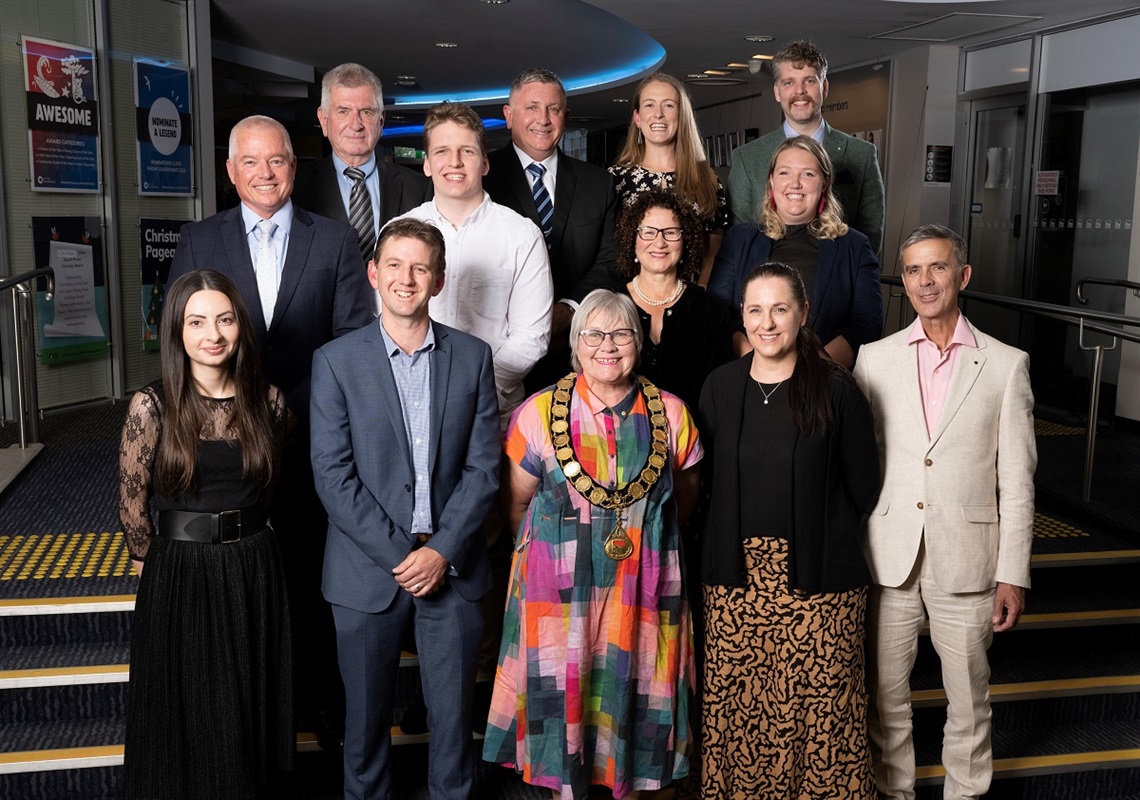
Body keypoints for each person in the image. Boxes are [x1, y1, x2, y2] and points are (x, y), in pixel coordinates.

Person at [169, 114, 372, 751]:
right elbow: (183, 337)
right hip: (220, 450)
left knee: (311, 582)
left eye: (277, 160)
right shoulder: (200, 239)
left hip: (310, 437)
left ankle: (323, 715)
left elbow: (348, 342)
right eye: (250, 162)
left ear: (294, 164)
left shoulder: (336, 241)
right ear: (231, 172)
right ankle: (249, 722)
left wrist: (286, 415)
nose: (265, 173)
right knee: (238, 591)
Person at [484, 289, 703, 800]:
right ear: (576, 345)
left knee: (640, 694)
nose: (607, 345)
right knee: (562, 705)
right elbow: (515, 507)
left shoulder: (672, 414)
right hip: (555, 597)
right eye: (593, 334)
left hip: (644, 592)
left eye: (621, 333)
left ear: (639, 343)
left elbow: (683, 502)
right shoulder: (537, 414)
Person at [310, 218, 501, 800]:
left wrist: (440, 549)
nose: (406, 278)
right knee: (364, 729)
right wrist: (405, 556)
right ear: (373, 274)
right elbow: (332, 475)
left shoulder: (472, 357)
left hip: (453, 566)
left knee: (452, 729)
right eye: (393, 264)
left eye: (420, 267)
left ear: (438, 280)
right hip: (368, 572)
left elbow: (485, 467)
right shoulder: (336, 361)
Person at [853, 224, 1036, 800]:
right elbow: (859, 465)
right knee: (885, 696)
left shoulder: (1006, 365)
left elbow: (1018, 479)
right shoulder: (874, 359)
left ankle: (966, 792)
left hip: (969, 557)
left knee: (968, 698)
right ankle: (895, 791)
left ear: (962, 275)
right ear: (902, 281)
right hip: (889, 558)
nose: (925, 281)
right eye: (912, 270)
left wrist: (1014, 572)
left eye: (937, 268)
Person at [698, 262, 880, 800]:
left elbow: (865, 488)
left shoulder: (838, 391)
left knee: (825, 713)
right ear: (743, 318)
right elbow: (703, 485)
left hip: (820, 579)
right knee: (742, 710)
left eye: (780, 308)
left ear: (803, 314)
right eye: (755, 310)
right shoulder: (719, 388)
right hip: (735, 582)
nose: (767, 322)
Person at [119, 269, 292, 799]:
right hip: (181, 569)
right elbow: (132, 505)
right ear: (177, 332)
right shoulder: (151, 406)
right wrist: (158, 567)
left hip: (253, 567)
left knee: (246, 701)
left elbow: (269, 492)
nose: (212, 334)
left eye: (224, 319)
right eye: (197, 322)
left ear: (239, 325)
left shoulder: (271, 402)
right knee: (186, 704)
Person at [393, 100, 552, 424]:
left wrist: (469, 390)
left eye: (466, 151)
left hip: (494, 415)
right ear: (426, 163)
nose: (454, 162)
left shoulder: (522, 235)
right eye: (441, 151)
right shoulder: (396, 235)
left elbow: (531, 337)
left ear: (484, 163)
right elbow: (384, 322)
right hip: (410, 409)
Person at [484, 67, 622, 391]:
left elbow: (610, 263)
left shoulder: (598, 184)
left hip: (579, 354)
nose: (543, 119)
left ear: (566, 115)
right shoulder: (481, 178)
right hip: (499, 356)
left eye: (553, 109)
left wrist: (566, 311)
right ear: (508, 114)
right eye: (531, 107)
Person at [709, 135, 882, 369]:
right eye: (784, 173)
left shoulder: (854, 246)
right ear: (771, 181)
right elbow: (718, 316)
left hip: (824, 380)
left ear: (825, 183)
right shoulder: (739, 240)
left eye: (808, 174)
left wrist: (811, 372)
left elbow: (867, 325)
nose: (795, 183)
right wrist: (761, 368)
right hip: (750, 377)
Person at [727, 40, 885, 253]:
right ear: (777, 92)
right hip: (767, 278)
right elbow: (741, 236)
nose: (799, 91)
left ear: (825, 87)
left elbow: (871, 232)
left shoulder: (862, 154)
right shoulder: (747, 158)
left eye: (809, 81)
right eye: (789, 82)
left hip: (839, 278)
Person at [615, 188, 742, 412]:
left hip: (694, 439)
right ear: (632, 239)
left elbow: (723, 394)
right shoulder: (607, 305)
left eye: (671, 232)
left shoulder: (712, 312)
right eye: (648, 232)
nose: (659, 242)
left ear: (685, 243)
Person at [293, 62, 431, 264]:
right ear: (323, 120)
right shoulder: (295, 186)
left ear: (381, 120)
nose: (356, 124)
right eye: (343, 111)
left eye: (366, 112)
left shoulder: (419, 188)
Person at [608, 72, 728, 284]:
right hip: (627, 300)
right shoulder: (614, 180)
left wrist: (698, 295)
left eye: (668, 105)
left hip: (690, 301)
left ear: (681, 116)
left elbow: (713, 251)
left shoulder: (706, 179)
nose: (658, 114)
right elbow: (608, 253)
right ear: (637, 117)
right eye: (649, 105)